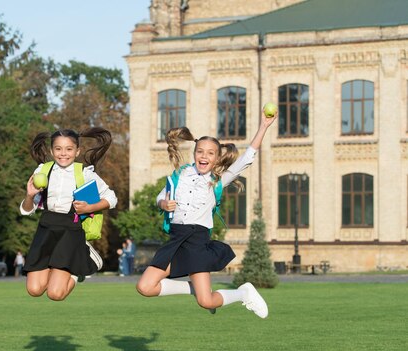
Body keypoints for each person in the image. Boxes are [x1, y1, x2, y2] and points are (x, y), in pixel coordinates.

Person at [136, 113, 276, 318]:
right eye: (200, 151)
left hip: (197, 242)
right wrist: (163, 203)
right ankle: (193, 289)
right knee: (145, 287)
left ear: (217, 158)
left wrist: (263, 126)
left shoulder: (218, 181)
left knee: (206, 301)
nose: (204, 156)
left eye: (210, 153)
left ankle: (242, 293)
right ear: (194, 153)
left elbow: (247, 159)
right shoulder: (180, 174)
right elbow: (161, 196)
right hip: (175, 240)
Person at [20, 127, 117, 301]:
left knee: (55, 294)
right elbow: (27, 210)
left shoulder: (85, 173)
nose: (63, 153)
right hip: (46, 229)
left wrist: (88, 208)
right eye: (58, 149)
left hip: (70, 230)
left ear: (77, 151)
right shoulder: (42, 171)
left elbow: (112, 198)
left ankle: (82, 265)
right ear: (51, 151)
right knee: (34, 290)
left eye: (69, 149)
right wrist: (29, 195)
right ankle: (74, 264)